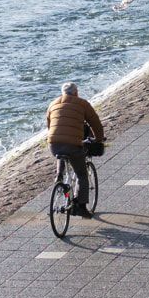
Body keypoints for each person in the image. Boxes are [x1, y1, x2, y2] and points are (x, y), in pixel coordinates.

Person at [46, 82, 105, 219]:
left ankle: (59, 176)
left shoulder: (53, 104)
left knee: (61, 154)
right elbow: (95, 122)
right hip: (73, 145)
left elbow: (50, 125)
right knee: (81, 175)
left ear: (63, 93)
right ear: (76, 92)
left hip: (53, 144)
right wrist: (99, 138)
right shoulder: (82, 103)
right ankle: (81, 207)